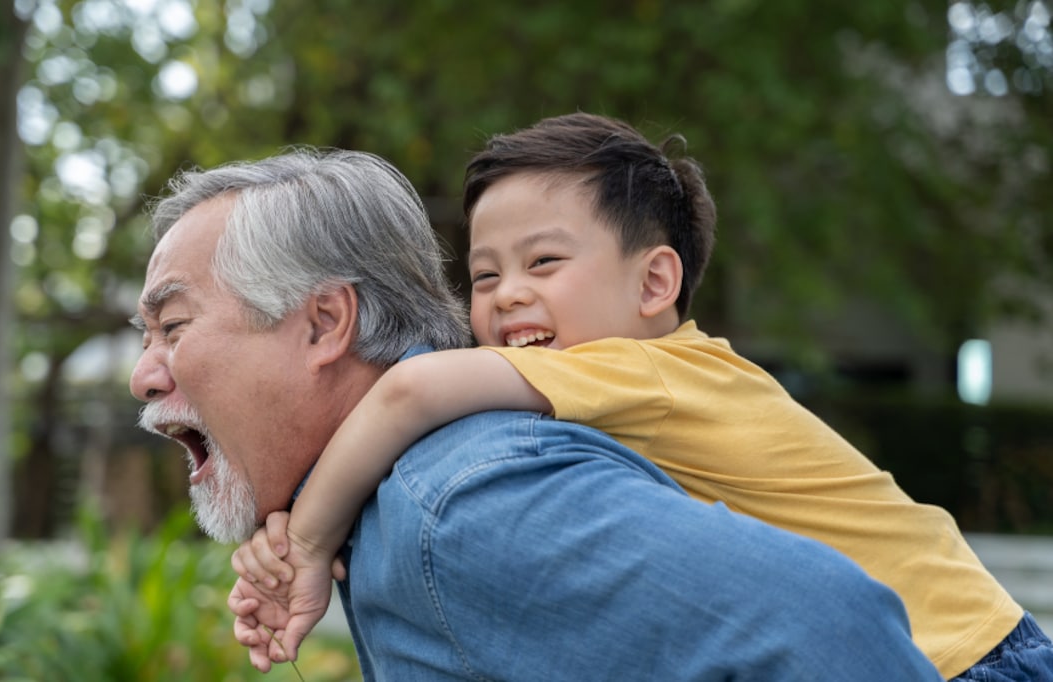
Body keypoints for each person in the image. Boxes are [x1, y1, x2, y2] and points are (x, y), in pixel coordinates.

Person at [231, 114, 1053, 680]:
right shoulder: (655, 378)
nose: (506, 295)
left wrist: (305, 543)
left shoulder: (646, 371)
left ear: (657, 280)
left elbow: (410, 390)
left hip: (959, 659)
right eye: (484, 275)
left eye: (544, 263)